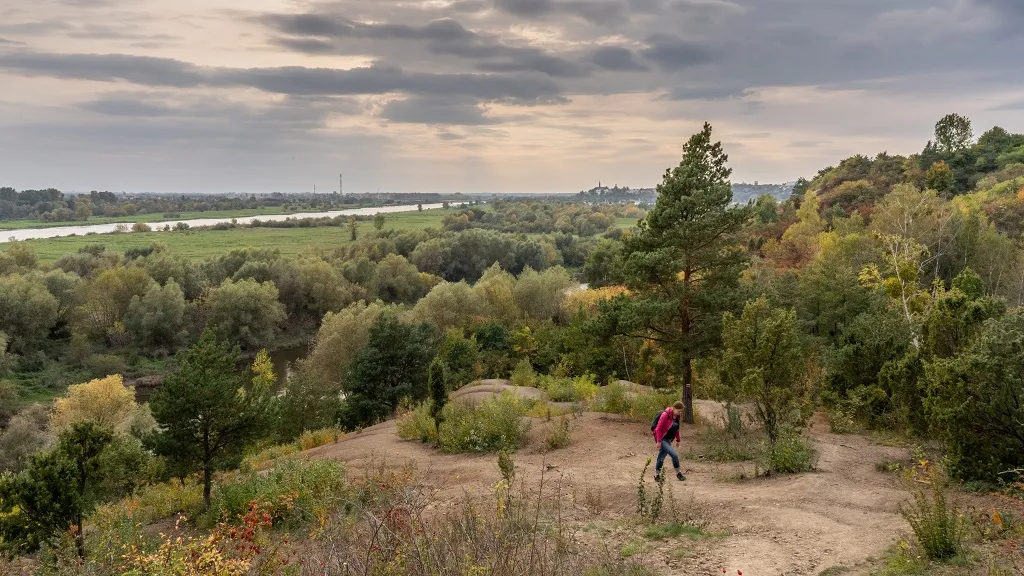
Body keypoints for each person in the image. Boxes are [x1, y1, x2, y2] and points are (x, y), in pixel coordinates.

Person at [653, 401, 686, 481]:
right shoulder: (665, 415)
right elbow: (658, 428)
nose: (680, 413)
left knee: (661, 457)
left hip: (668, 439)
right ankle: (678, 473)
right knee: (674, 455)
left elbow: (676, 429)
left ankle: (656, 475)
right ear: (674, 408)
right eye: (679, 411)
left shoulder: (677, 416)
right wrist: (659, 441)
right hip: (662, 438)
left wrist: (678, 439)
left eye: (681, 411)